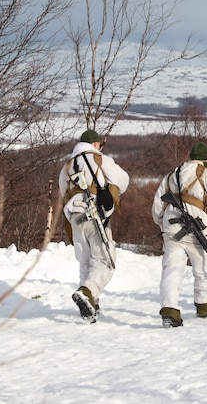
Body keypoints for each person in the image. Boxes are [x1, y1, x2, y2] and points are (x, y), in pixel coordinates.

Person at [151, 142, 207, 328]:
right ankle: (204, 305)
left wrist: (161, 223)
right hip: (199, 227)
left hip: (171, 226)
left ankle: (170, 309)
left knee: (172, 268)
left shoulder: (173, 175)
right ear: (206, 159)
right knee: (203, 266)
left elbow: (157, 206)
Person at [58, 129, 129, 323]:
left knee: (86, 262)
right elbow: (124, 180)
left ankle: (90, 306)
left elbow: (63, 191)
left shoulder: (68, 166)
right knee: (105, 261)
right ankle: (87, 292)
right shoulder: (101, 160)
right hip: (94, 215)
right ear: (95, 144)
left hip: (75, 217)